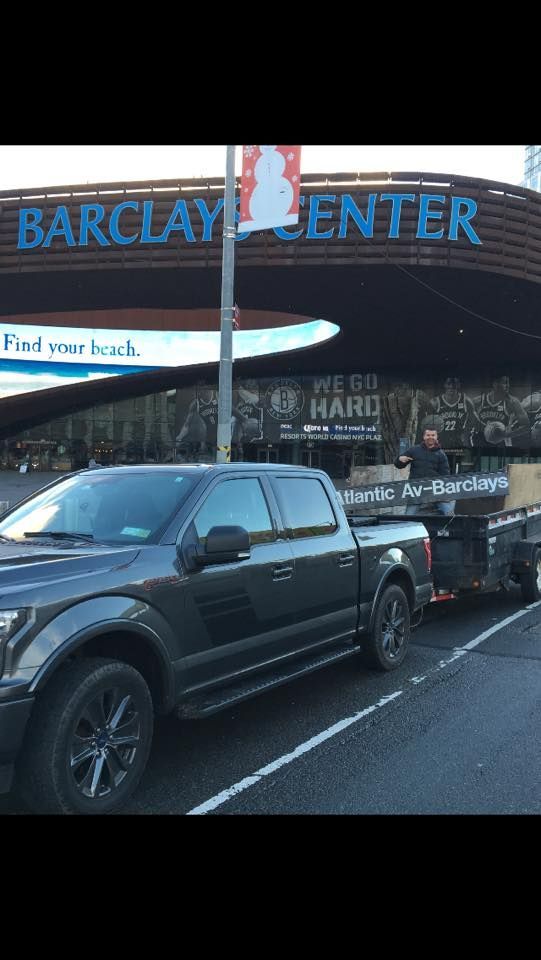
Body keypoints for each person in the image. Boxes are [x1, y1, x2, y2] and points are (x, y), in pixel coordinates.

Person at [394, 426, 454, 515]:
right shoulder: (414, 450)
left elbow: (445, 475)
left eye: (433, 435)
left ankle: (449, 529)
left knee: (449, 513)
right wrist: (399, 460)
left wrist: (443, 491)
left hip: (435, 490)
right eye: (428, 435)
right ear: (424, 437)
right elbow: (398, 465)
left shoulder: (441, 454)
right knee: (409, 516)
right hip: (416, 490)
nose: (430, 437)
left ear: (436, 437)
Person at [425, 377, 484, 448]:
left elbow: (476, 422)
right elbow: (427, 427)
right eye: (449, 384)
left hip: (460, 442)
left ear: (458, 385)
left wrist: (487, 427)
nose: (451, 386)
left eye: (454, 384)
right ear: (445, 385)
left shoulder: (466, 401)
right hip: (440, 443)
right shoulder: (435, 403)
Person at [474, 376, 530, 448]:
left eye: (508, 383)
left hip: (503, 445)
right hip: (481, 443)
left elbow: (527, 426)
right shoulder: (478, 401)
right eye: (504, 383)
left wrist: (507, 435)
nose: (508, 386)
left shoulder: (513, 402)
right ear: (495, 384)